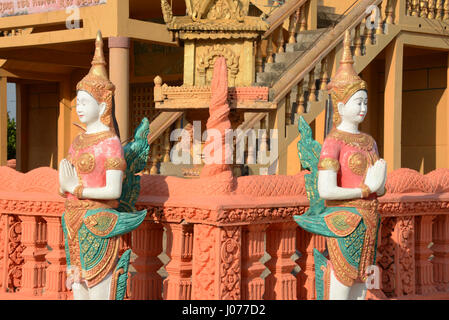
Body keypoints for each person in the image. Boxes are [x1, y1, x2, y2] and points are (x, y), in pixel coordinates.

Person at [294, 31, 387, 300]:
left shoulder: (369, 141)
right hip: (345, 221)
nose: (363, 108)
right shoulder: (333, 141)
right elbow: (326, 190)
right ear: (341, 105)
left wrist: (377, 186)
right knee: (342, 285)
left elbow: (378, 186)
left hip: (369, 222)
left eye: (366, 102)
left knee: (361, 287)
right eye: (357, 102)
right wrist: (364, 190)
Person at [58, 31, 147, 300]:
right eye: (78, 101)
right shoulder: (78, 140)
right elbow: (67, 184)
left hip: (98, 222)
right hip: (73, 222)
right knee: (78, 290)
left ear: (103, 104)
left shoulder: (110, 143)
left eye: (85, 102)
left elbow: (113, 191)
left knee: (99, 291)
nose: (79, 107)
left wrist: (79, 189)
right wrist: (65, 187)